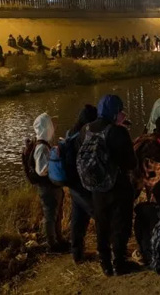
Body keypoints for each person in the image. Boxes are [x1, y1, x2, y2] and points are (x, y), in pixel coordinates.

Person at [79, 95, 138, 276]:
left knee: (102, 225)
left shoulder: (86, 129)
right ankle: (119, 263)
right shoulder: (117, 132)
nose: (122, 114)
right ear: (114, 112)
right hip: (117, 186)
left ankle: (105, 264)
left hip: (95, 187)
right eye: (120, 110)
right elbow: (131, 163)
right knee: (120, 224)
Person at [64, 105, 98, 263]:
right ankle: (109, 251)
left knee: (78, 218)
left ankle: (77, 254)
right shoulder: (84, 136)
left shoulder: (70, 133)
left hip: (73, 184)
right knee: (100, 215)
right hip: (83, 184)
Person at [32, 113, 69, 253]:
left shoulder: (45, 144)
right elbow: (41, 170)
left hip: (53, 186)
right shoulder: (41, 147)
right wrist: (55, 160)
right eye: (51, 125)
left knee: (57, 214)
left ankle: (59, 239)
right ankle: (52, 244)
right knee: (50, 216)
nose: (54, 127)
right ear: (45, 127)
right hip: (47, 188)